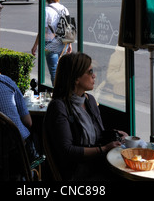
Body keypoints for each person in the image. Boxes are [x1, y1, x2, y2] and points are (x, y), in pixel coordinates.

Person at [44, 52, 128, 180]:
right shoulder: (59, 107)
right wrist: (103, 149)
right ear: (76, 78)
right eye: (90, 72)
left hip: (97, 165)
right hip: (78, 173)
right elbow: (68, 151)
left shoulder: (90, 100)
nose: (94, 75)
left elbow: (98, 134)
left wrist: (117, 135)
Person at [31, 0, 72, 85]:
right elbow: (68, 28)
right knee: (61, 71)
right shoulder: (64, 9)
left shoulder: (46, 10)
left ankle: (58, 96)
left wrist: (35, 45)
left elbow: (42, 31)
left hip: (50, 43)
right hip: (63, 43)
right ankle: (62, 94)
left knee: (54, 72)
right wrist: (69, 45)